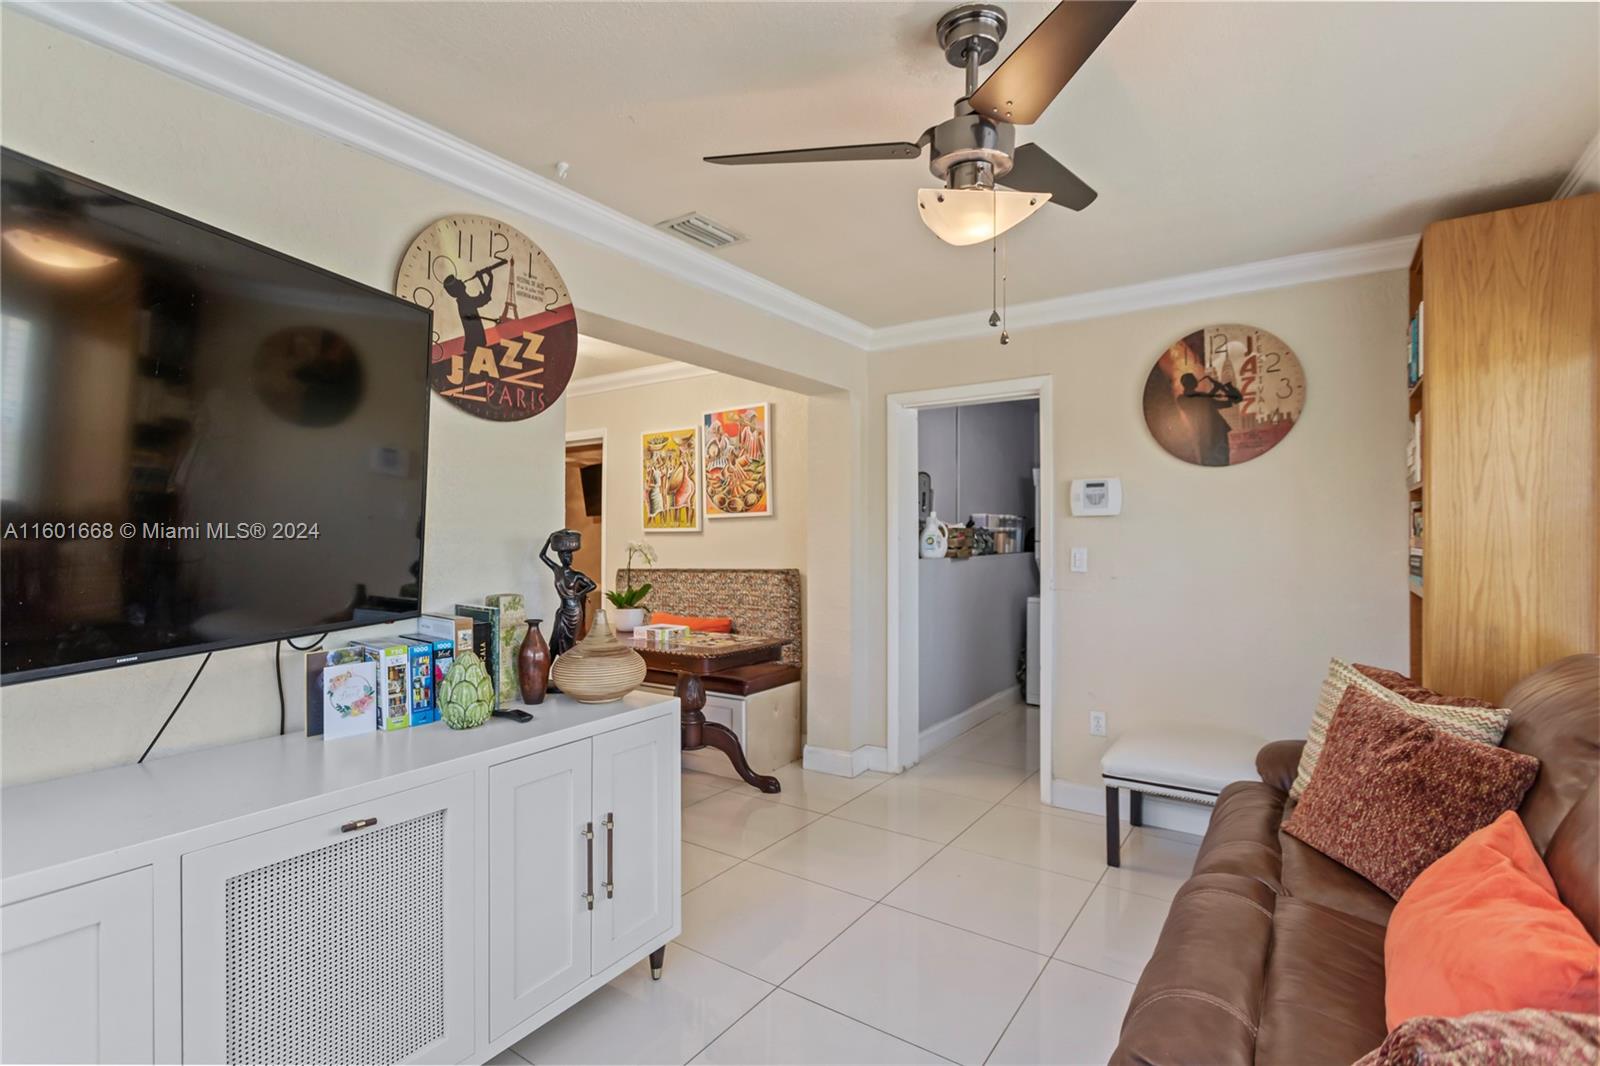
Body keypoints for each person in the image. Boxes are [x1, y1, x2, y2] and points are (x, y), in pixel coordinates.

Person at [539, 529, 595, 659]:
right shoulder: (556, 570)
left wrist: (579, 595)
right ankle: (548, 670)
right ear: (560, 557)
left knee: (570, 643)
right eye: (566, 556)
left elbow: (592, 585)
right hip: (563, 611)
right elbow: (542, 556)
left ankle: (568, 668)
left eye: (571, 556)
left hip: (574, 612)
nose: (569, 558)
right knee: (555, 641)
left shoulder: (576, 575)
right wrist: (549, 539)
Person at [1177, 371, 1242, 466]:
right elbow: (1203, 401)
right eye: (1194, 380)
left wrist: (1218, 389)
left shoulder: (1186, 398)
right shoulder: (1184, 398)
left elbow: (1212, 401)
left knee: (1216, 460)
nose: (1197, 381)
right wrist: (1219, 388)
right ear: (1192, 383)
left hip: (1211, 433)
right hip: (1211, 433)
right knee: (1216, 460)